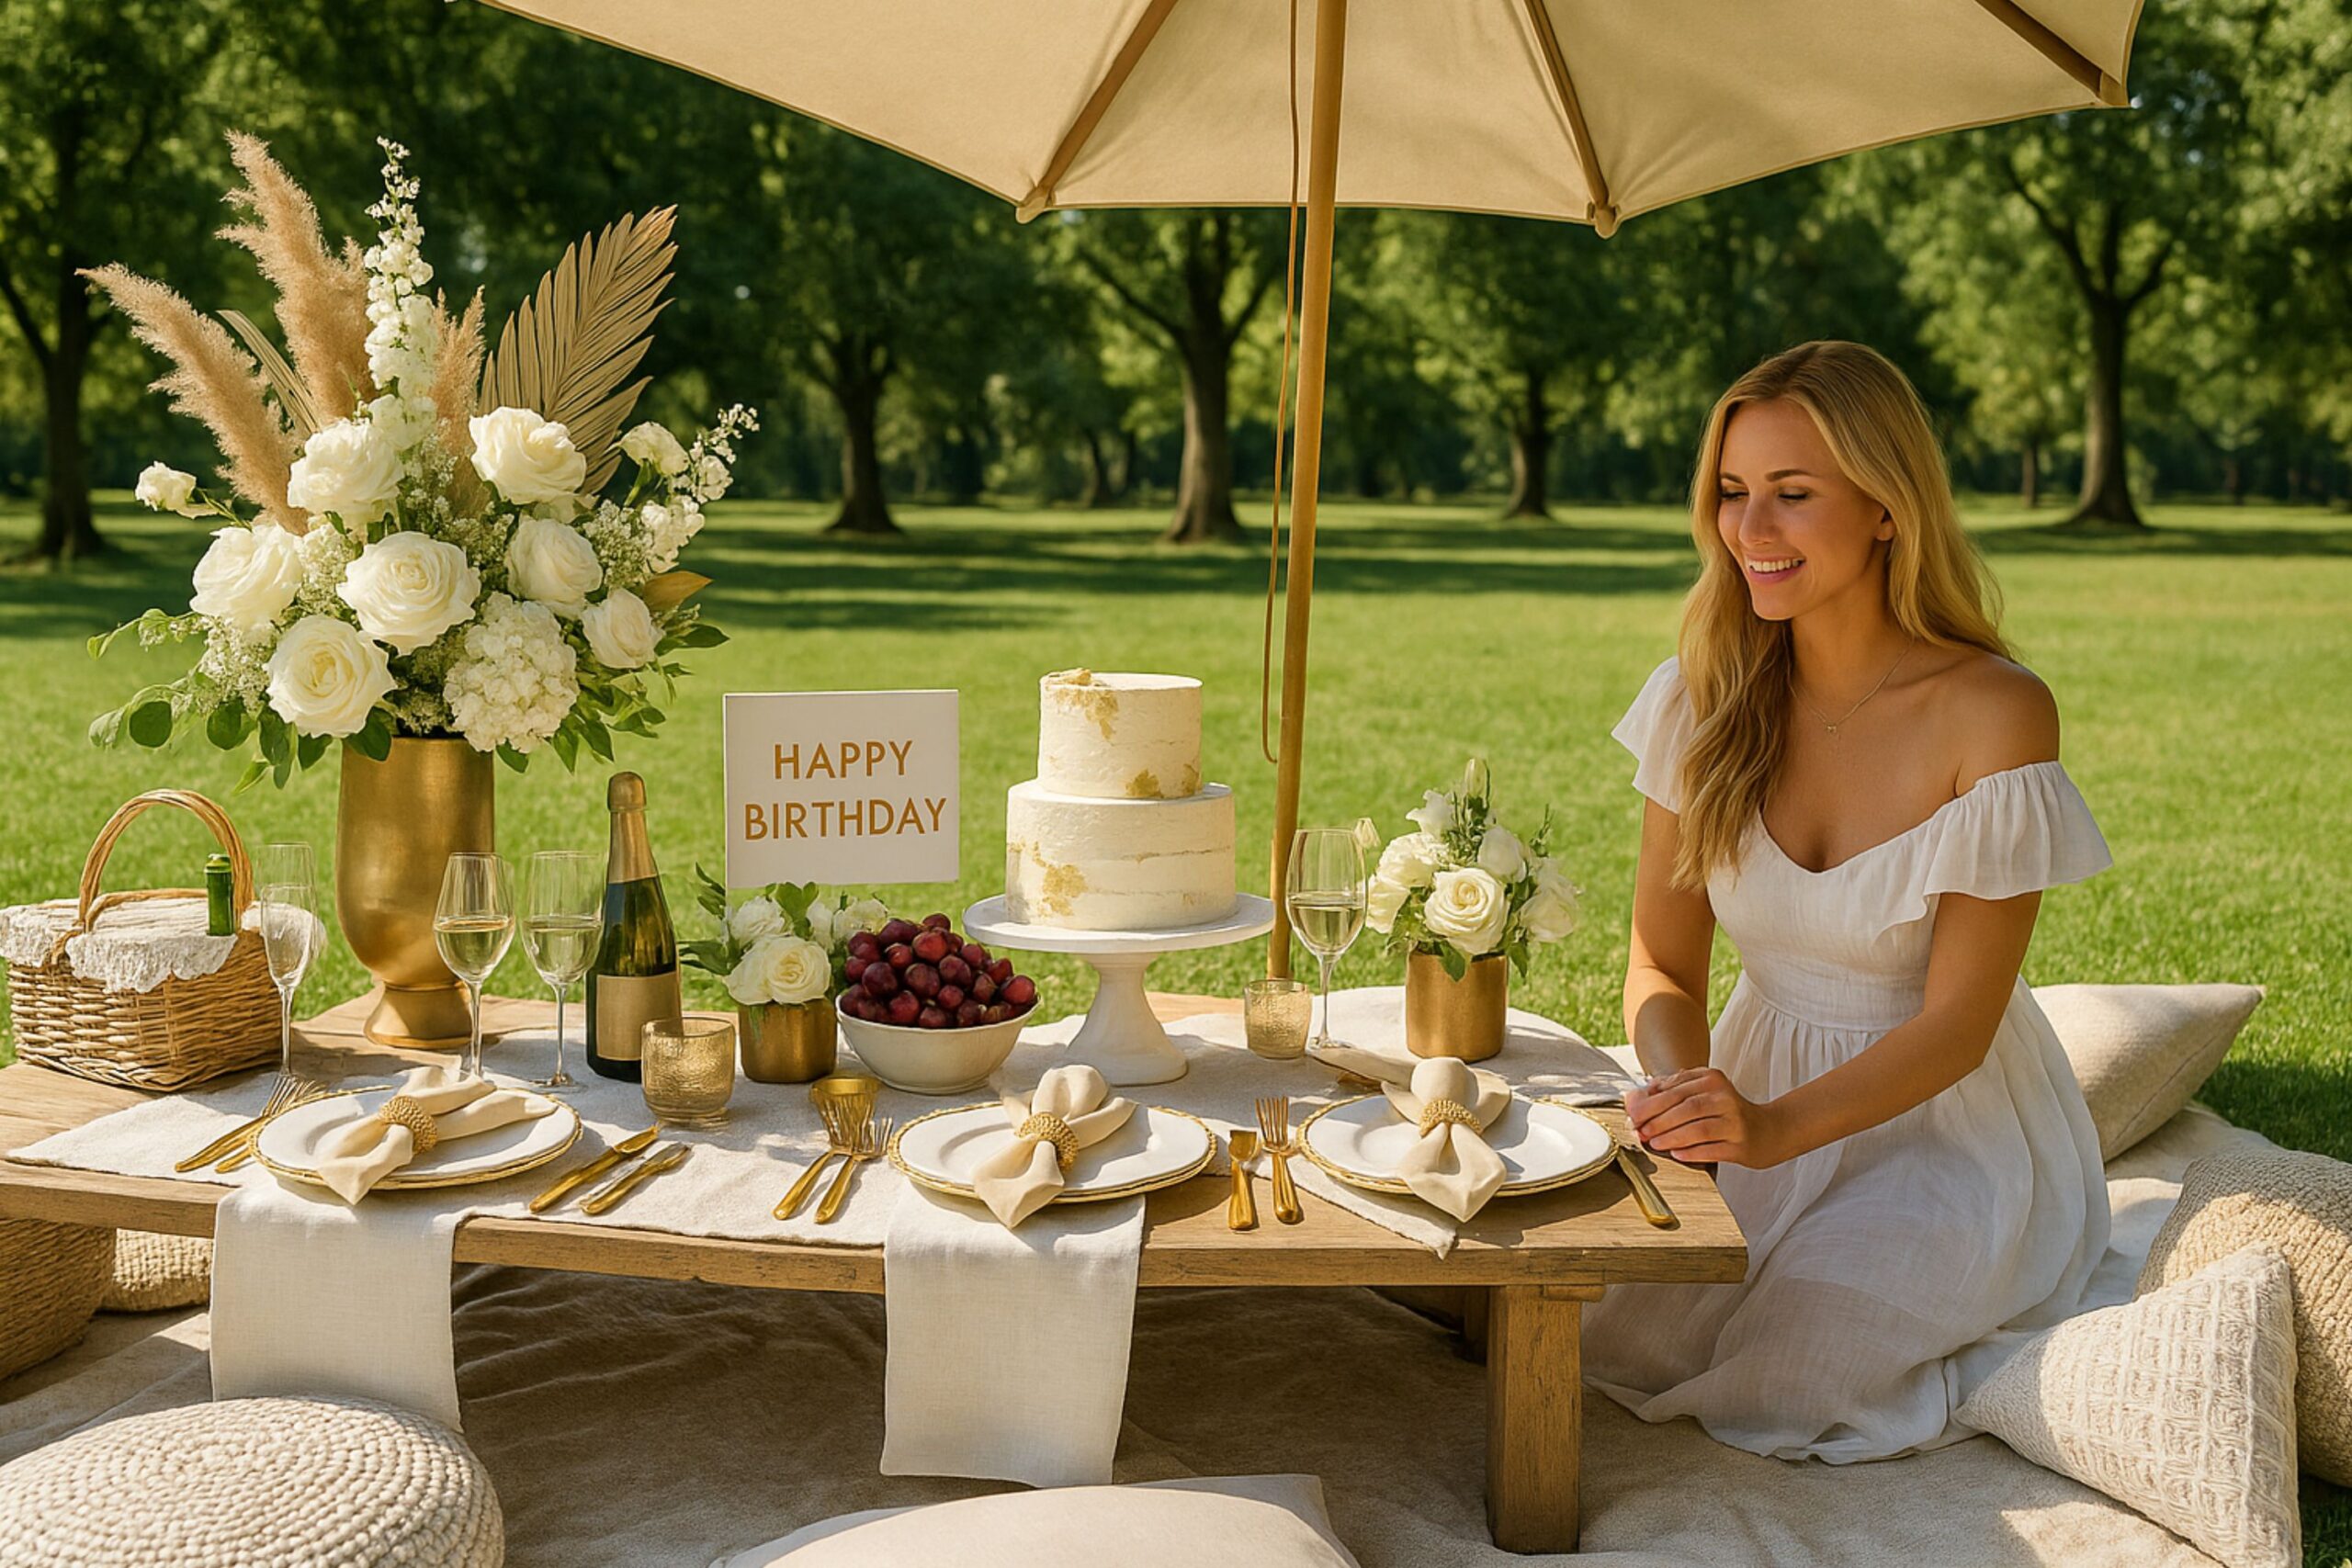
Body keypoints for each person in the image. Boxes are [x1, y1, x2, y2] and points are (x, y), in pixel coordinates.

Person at [1580, 340, 2112, 1463]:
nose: (1749, 531)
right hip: (1744, 1092)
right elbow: (1659, 963)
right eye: (1731, 493)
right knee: (1587, 1325)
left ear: (1884, 506)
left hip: (1938, 1124)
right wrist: (1688, 1099)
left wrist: (1774, 1132)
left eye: (1792, 494)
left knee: (1793, 1366)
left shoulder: (1993, 713)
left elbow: (1957, 1026)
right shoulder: (1699, 699)